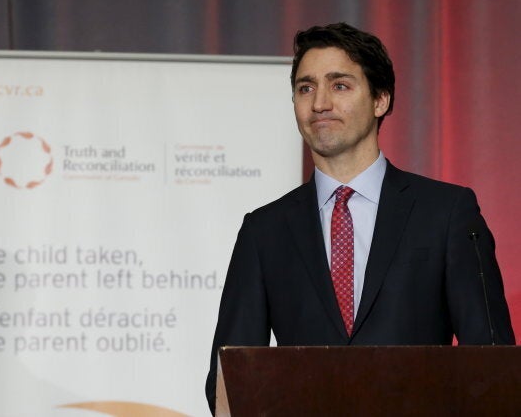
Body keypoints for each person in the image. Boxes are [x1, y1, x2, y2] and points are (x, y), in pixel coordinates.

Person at [205, 22, 515, 414]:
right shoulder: (264, 230)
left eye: (339, 85)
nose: (319, 103)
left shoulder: (447, 213)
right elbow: (228, 382)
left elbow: (491, 367)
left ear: (381, 99)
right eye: (305, 88)